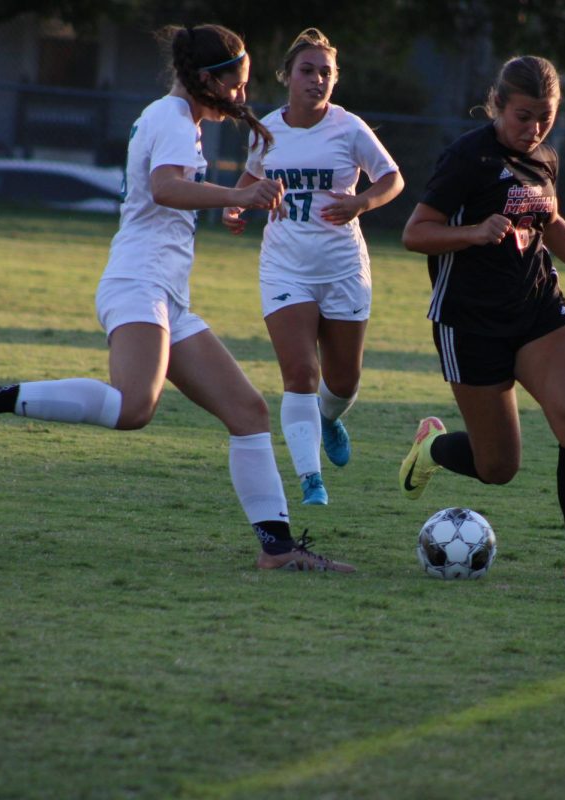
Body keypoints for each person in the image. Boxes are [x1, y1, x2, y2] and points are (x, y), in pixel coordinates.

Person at [0, 23, 353, 573]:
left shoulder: (181, 120)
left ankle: (279, 549)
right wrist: (239, 193)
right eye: (235, 86)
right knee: (134, 407)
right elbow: (166, 187)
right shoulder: (171, 118)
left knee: (248, 411)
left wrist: (233, 198)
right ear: (204, 79)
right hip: (137, 284)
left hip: (166, 295)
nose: (242, 97)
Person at [399, 55, 565, 584]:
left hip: (538, 308)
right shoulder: (465, 158)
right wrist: (472, 233)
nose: (534, 129)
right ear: (497, 106)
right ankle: (433, 448)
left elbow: (550, 222)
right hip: (470, 322)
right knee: (498, 468)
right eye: (523, 117)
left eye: (545, 117)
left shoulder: (544, 159)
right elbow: (416, 233)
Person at [223, 28, 404, 506]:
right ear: (287, 75)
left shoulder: (349, 128)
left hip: (343, 268)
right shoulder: (266, 129)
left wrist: (361, 203)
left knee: (342, 382)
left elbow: (393, 178)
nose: (317, 80)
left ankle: (328, 417)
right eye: (308, 70)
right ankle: (310, 479)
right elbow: (255, 174)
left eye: (326, 72)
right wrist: (237, 205)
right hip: (285, 267)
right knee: (300, 373)